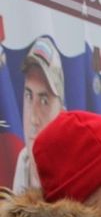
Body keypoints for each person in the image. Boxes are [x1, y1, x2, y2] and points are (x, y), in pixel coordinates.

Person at [12, 35, 64, 193]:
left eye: (44, 101)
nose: (33, 118)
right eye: (29, 96)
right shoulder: (23, 164)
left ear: (62, 114)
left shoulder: (74, 175)